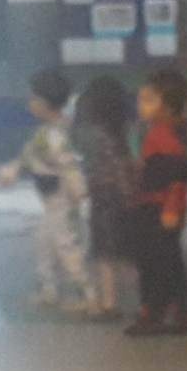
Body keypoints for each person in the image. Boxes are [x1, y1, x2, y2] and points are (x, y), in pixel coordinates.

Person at [124, 69, 187, 338]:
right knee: (168, 260)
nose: (141, 105)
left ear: (167, 106)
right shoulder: (157, 133)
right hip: (152, 206)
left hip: (158, 209)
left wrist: (171, 208)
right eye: (140, 99)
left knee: (156, 262)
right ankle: (184, 310)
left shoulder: (165, 138)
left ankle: (154, 312)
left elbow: (177, 179)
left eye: (148, 100)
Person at [9, 68, 89, 313]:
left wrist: (78, 190)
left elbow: (69, 164)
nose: (30, 102)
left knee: (67, 245)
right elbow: (29, 155)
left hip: (62, 198)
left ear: (44, 102)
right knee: (44, 242)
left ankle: (88, 293)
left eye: (34, 97)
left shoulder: (57, 133)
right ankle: (49, 290)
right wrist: (14, 169)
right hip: (51, 199)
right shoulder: (45, 132)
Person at [72, 75, 137, 323]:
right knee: (121, 250)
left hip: (101, 196)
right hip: (117, 196)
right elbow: (121, 168)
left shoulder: (88, 133)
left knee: (104, 252)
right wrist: (131, 196)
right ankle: (140, 298)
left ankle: (109, 302)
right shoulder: (114, 134)